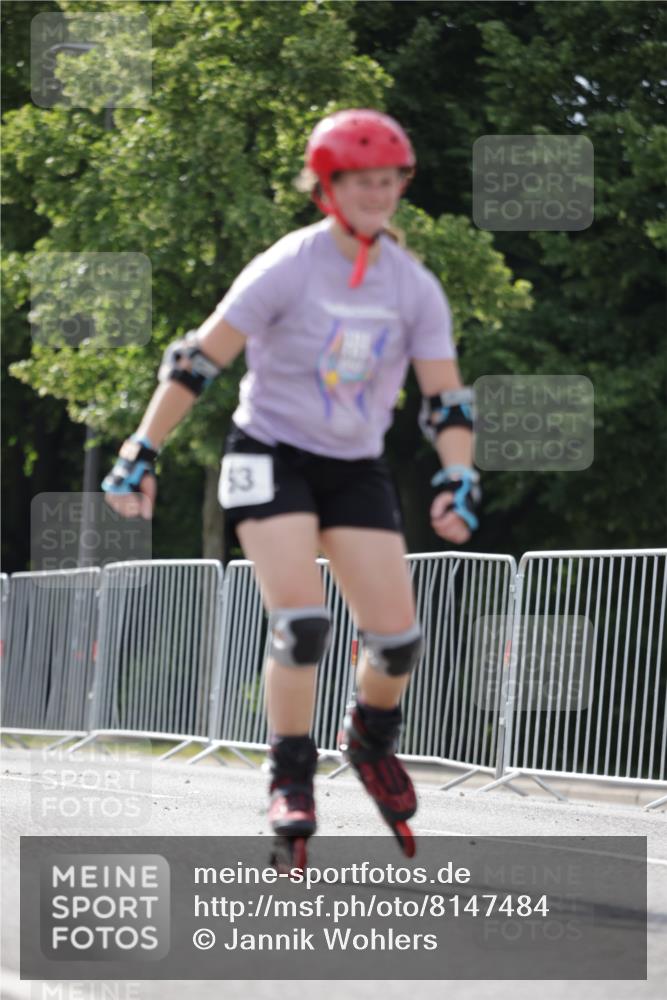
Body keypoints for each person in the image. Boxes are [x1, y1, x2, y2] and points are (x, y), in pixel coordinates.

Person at [102, 108, 481, 864]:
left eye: (389, 181)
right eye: (361, 182)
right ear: (327, 187)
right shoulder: (289, 264)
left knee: (398, 641)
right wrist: (142, 447)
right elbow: (196, 359)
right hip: (267, 453)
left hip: (352, 466)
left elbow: (445, 399)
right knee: (303, 624)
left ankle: (369, 741)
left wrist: (459, 475)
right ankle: (290, 774)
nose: (378, 194)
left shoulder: (412, 286)